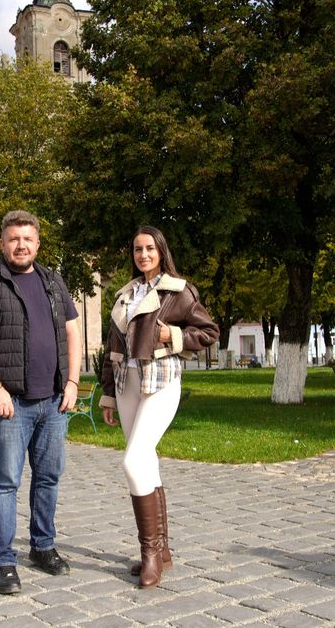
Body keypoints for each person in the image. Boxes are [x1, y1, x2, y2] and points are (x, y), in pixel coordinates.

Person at [0, 210, 82, 595]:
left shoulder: (53, 281)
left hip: (54, 402)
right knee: (5, 483)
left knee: (48, 477)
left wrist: (74, 381)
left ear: (38, 243)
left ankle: (42, 547)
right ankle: (4, 562)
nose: (21, 245)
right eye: (13, 239)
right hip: (10, 403)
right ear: (2, 243)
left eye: (27, 239)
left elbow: (73, 331)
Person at [98, 225, 219, 588]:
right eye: (137, 249)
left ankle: (149, 554)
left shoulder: (179, 292)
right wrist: (107, 393)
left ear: (161, 251)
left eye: (150, 248)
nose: (143, 255)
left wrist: (175, 336)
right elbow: (110, 348)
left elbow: (210, 331)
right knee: (146, 461)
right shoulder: (126, 294)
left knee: (133, 461)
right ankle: (162, 551)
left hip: (161, 382)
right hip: (126, 384)